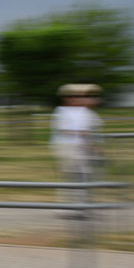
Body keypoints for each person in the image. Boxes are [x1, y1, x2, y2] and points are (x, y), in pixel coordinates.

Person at [50, 83, 103, 217]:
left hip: (84, 148)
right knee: (73, 177)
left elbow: (94, 130)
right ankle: (67, 208)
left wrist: (95, 145)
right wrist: (83, 135)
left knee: (86, 177)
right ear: (69, 98)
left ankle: (83, 207)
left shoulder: (87, 112)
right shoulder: (62, 112)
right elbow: (64, 131)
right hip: (69, 148)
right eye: (76, 96)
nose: (81, 99)